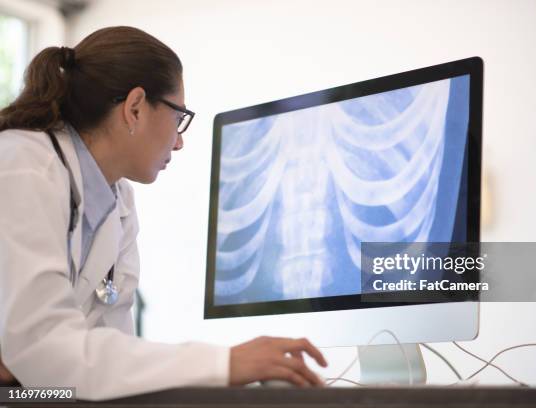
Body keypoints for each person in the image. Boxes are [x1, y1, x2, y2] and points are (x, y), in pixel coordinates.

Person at [0, 26, 327, 400]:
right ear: (135, 107)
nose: (180, 140)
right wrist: (225, 364)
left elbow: (105, 360)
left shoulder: (117, 200)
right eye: (179, 118)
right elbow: (46, 353)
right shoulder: (22, 165)